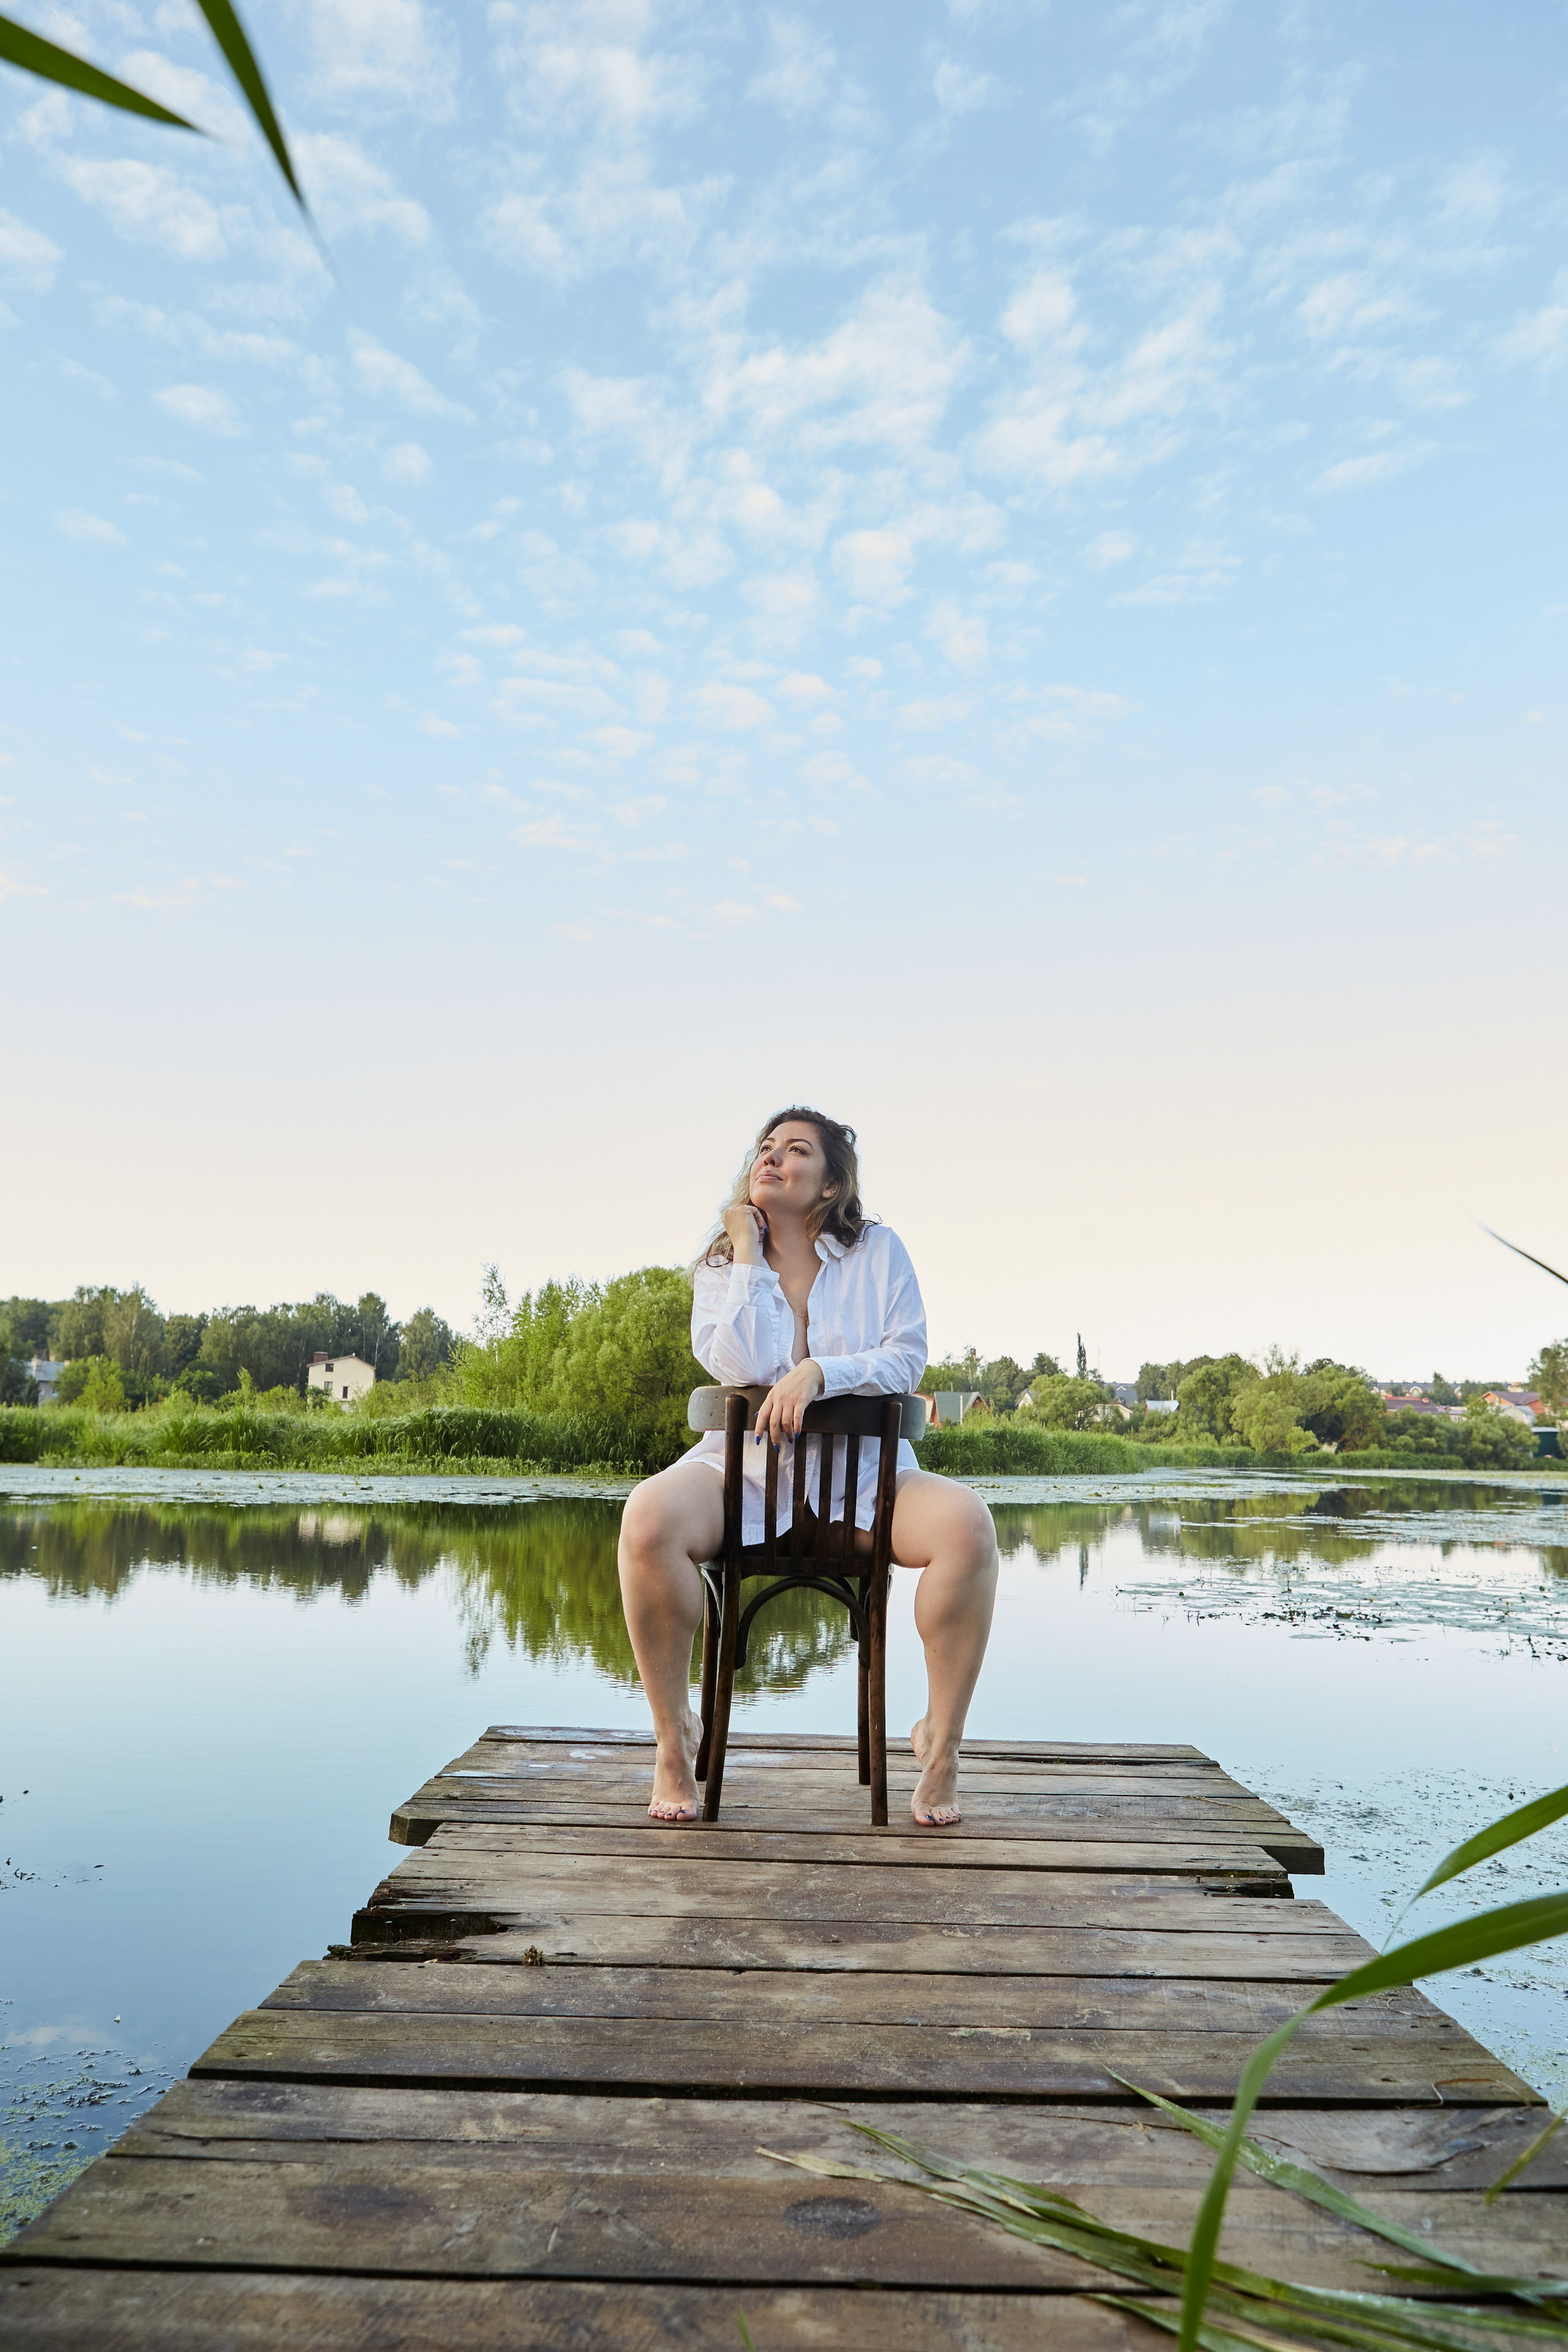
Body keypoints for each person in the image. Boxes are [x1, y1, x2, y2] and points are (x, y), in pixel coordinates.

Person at [617, 1106, 998, 1828]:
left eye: (796, 1150)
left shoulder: (879, 1251)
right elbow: (739, 1364)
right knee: (647, 1519)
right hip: (743, 1477)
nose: (773, 1158)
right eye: (766, 1147)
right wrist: (750, 1254)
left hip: (866, 1480)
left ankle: (942, 1746)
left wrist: (822, 1371)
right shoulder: (724, 1264)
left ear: (829, 1184)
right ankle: (674, 1740)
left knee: (968, 1529)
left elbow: (906, 1355)